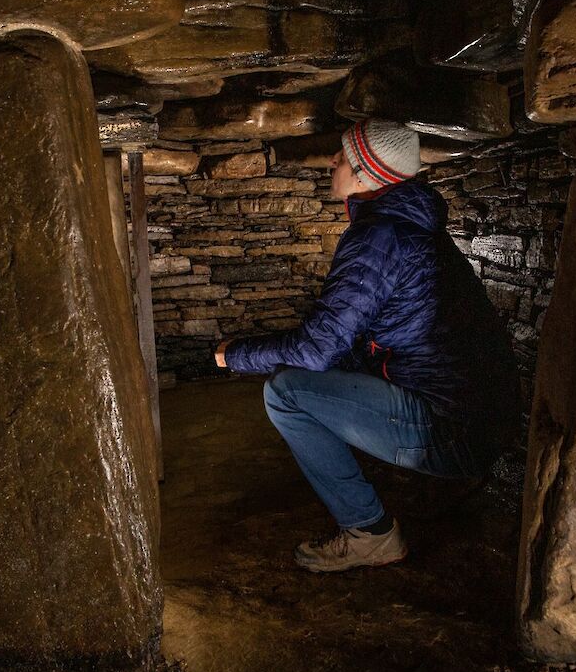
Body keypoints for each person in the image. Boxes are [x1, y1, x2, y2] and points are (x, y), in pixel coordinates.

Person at [214, 119, 519, 572]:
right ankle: (440, 487)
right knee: (326, 371)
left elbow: (318, 349)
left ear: (365, 174)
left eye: (341, 155)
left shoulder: (381, 236)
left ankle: (370, 533)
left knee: (285, 392)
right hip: (480, 422)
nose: (332, 161)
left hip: (449, 431)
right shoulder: (410, 224)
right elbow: (353, 340)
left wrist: (234, 354)